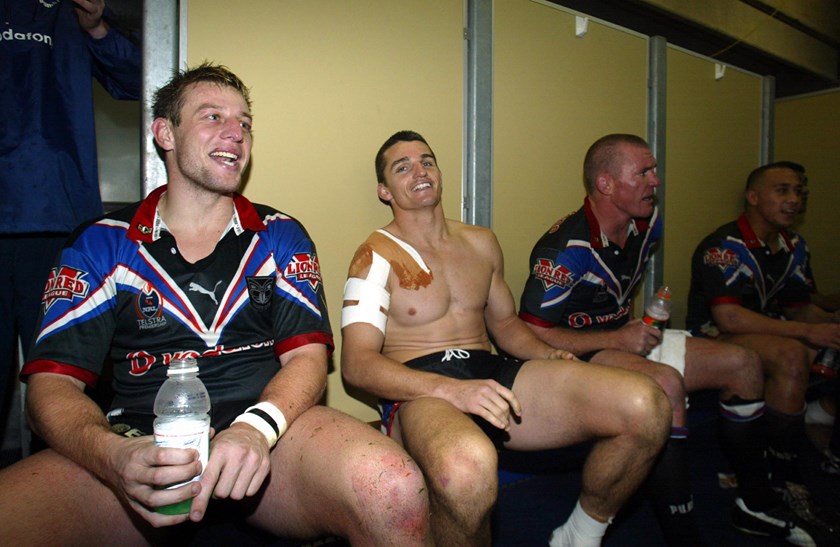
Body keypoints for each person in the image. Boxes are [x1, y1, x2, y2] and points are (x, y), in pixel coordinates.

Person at [0, 64, 431, 545]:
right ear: (165, 132)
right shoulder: (100, 244)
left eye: (245, 123)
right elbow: (50, 388)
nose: (236, 134)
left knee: (394, 487)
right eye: (213, 117)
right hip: (140, 443)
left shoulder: (280, 234)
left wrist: (255, 430)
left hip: (270, 434)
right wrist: (112, 457)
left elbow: (308, 360)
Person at [341, 130, 672, 547]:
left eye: (427, 160)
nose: (419, 171)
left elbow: (509, 327)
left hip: (488, 372)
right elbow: (358, 364)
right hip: (421, 385)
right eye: (402, 167)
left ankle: (580, 535)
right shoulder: (374, 256)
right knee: (466, 470)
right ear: (384, 190)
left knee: (646, 404)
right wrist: (452, 391)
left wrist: (548, 353)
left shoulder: (481, 242)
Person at [517, 134, 820, 546]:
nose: (655, 181)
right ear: (606, 184)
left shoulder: (647, 223)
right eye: (643, 172)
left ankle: (755, 503)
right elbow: (531, 333)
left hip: (624, 337)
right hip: (576, 352)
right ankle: (684, 535)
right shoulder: (565, 250)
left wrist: (635, 328)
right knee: (666, 385)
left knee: (743, 364)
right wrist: (616, 338)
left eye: (654, 170)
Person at [0, 0, 141, 451]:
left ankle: (62, 504)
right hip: (48, 211)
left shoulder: (73, 12)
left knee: (66, 379)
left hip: (60, 216)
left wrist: (96, 26)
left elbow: (150, 77)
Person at [687, 160, 840, 542]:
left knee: (799, 348)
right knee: (792, 352)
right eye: (783, 190)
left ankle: (791, 455)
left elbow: (796, 306)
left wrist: (827, 327)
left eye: (800, 192)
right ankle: (785, 479)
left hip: (768, 332)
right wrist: (809, 331)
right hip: (710, 337)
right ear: (753, 198)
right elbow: (729, 319)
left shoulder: (792, 244)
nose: (795, 200)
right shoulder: (725, 247)